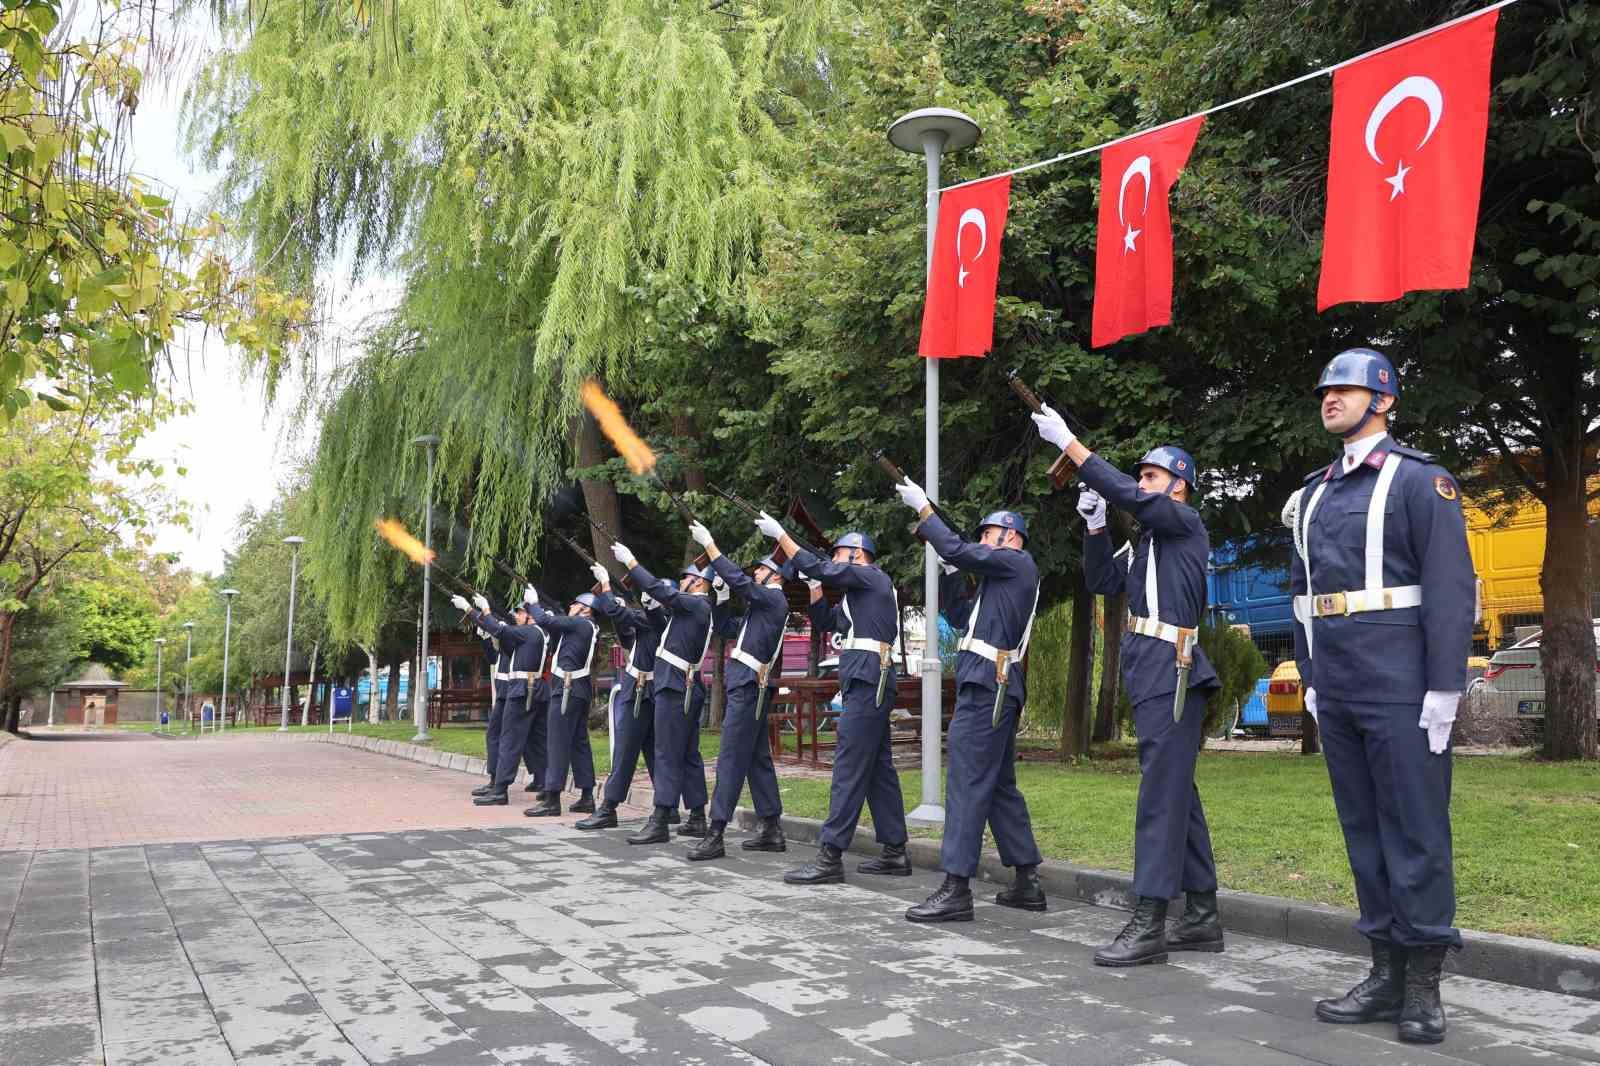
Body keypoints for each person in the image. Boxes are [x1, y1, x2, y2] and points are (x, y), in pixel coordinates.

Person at [1287, 347, 1473, 1045]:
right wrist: (1309, 676)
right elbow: (1304, 596)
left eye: (1346, 388)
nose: (1330, 398)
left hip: (1401, 683)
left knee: (1416, 830)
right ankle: (1385, 972)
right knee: (1363, 831)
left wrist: (1444, 689)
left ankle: (1423, 983)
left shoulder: (1421, 483)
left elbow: (1451, 592)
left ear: (1384, 400)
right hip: (1337, 682)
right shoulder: (1312, 495)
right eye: (1326, 390)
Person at [1032, 406, 1223, 966]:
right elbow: (1102, 580)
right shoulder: (1147, 544)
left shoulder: (1183, 525)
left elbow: (1135, 502)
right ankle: (1203, 916)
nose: (1141, 485)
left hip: (1175, 670)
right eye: (1139, 476)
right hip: (1154, 672)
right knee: (1175, 795)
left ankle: (1149, 922)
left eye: (1152, 477)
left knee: (1159, 801)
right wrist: (1094, 523)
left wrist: (1073, 445)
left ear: (1179, 488)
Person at [889, 483, 1045, 922]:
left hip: (990, 688)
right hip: (991, 685)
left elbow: (960, 550)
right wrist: (950, 571)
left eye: (987, 535)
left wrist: (925, 509)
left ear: (1010, 537)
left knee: (965, 781)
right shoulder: (1001, 582)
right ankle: (1027, 881)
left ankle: (956, 887)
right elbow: (960, 617)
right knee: (996, 786)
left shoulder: (1017, 564)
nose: (981, 542)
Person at [754, 512, 909, 885]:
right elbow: (828, 622)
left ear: (857, 555)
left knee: (848, 767)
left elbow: (822, 566)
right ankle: (894, 850)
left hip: (869, 680)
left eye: (839, 555)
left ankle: (831, 855)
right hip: (867, 680)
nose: (834, 561)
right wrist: (814, 586)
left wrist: (784, 537)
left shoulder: (872, 576)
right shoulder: (862, 594)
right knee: (876, 770)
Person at [685, 520, 791, 861]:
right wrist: (722, 597)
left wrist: (713, 548)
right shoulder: (759, 608)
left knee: (731, 757)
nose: (756, 572)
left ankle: (716, 832)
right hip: (748, 685)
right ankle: (772, 827)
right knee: (756, 757)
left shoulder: (774, 600)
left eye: (761, 569)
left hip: (750, 686)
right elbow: (726, 627)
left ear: (775, 576)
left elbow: (744, 583)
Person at [611, 541, 714, 844]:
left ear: (701, 583)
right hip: (682, 685)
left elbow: (662, 590)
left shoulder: (696, 603)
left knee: (666, 753)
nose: (681, 582)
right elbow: (659, 608)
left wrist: (631, 562)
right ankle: (697, 816)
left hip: (675, 686)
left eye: (687, 578)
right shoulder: (690, 610)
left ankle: (661, 820)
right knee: (686, 753)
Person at [577, 565, 667, 830]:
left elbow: (620, 614)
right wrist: (619, 605)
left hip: (639, 692)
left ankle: (608, 807)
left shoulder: (655, 619)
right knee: (652, 752)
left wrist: (606, 586)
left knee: (625, 750)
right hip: (646, 691)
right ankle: (666, 806)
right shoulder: (654, 621)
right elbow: (627, 634)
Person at [451, 592, 549, 807]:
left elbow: (499, 629)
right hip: (518, 689)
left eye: (523, 611)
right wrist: (485, 626)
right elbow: (498, 641)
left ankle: (501, 789)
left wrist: (474, 609)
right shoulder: (526, 633)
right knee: (510, 738)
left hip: (523, 689)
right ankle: (502, 784)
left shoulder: (532, 632)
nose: (519, 615)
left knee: (511, 740)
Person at [524, 587, 601, 817]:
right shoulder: (584, 627)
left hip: (567, 689)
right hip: (577, 689)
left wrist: (533, 603)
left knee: (556, 743)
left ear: (585, 609)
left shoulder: (580, 624)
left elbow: (544, 620)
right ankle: (587, 796)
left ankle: (552, 799)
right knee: (579, 743)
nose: (570, 608)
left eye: (574, 605)